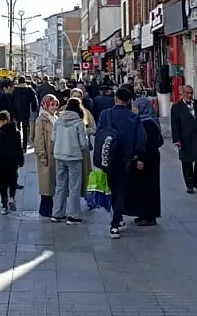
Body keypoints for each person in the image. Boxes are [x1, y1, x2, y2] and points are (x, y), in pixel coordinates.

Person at [96, 87, 146, 240]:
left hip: (107, 159)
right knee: (120, 191)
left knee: (112, 189)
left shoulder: (106, 115)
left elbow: (99, 134)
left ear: (116, 99)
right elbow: (142, 139)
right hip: (126, 160)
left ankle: (117, 218)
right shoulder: (134, 117)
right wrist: (138, 156)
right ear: (129, 101)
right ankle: (115, 224)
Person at [127, 96, 164, 226]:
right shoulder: (151, 121)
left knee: (147, 188)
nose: (134, 110)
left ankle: (148, 216)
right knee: (144, 187)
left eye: (136, 107)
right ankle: (143, 214)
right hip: (151, 158)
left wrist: (141, 158)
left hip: (146, 159)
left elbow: (147, 143)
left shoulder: (146, 123)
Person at [52, 102, 87, 224]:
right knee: (74, 186)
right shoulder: (78, 122)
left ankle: (57, 213)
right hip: (74, 157)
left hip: (59, 156)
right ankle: (73, 215)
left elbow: (53, 138)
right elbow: (83, 143)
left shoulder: (58, 120)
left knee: (60, 185)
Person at [171, 84, 197, 194]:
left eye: (191, 93)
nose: (189, 95)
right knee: (187, 161)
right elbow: (175, 125)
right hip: (185, 137)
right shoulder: (176, 107)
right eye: (187, 93)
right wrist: (177, 139)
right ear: (182, 94)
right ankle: (189, 184)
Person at [0, 110, 23, 214]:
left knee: (2, 184)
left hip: (2, 163)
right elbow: (19, 148)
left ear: (5, 121)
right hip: (13, 162)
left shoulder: (0, 134)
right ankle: (12, 197)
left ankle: (4, 203)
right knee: (12, 180)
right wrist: (20, 160)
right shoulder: (16, 132)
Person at [33, 94, 59, 217]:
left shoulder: (55, 118)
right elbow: (38, 140)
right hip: (47, 155)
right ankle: (45, 210)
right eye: (52, 104)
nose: (54, 107)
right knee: (46, 185)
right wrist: (42, 155)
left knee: (52, 184)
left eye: (56, 104)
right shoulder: (41, 120)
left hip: (56, 155)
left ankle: (50, 209)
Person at [10, 77, 38, 149]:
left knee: (17, 129)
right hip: (26, 112)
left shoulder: (15, 90)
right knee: (25, 129)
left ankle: (18, 145)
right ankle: (24, 146)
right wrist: (34, 108)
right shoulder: (29, 89)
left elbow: (11, 101)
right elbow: (34, 100)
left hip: (16, 112)